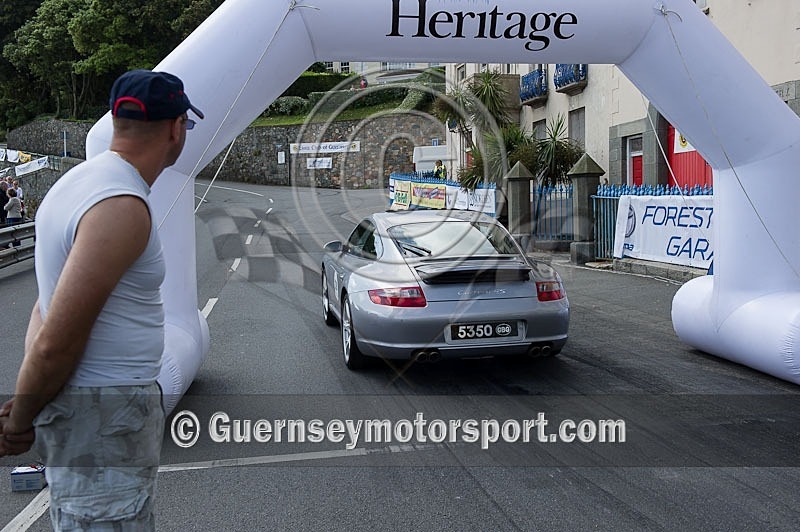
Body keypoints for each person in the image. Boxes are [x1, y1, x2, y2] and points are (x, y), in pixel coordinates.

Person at [0, 69, 203, 530]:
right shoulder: (121, 205)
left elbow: (43, 307)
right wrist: (22, 418)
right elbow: (57, 339)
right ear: (176, 129)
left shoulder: (76, 184)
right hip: (104, 418)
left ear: (116, 120)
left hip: (91, 413)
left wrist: (29, 398)